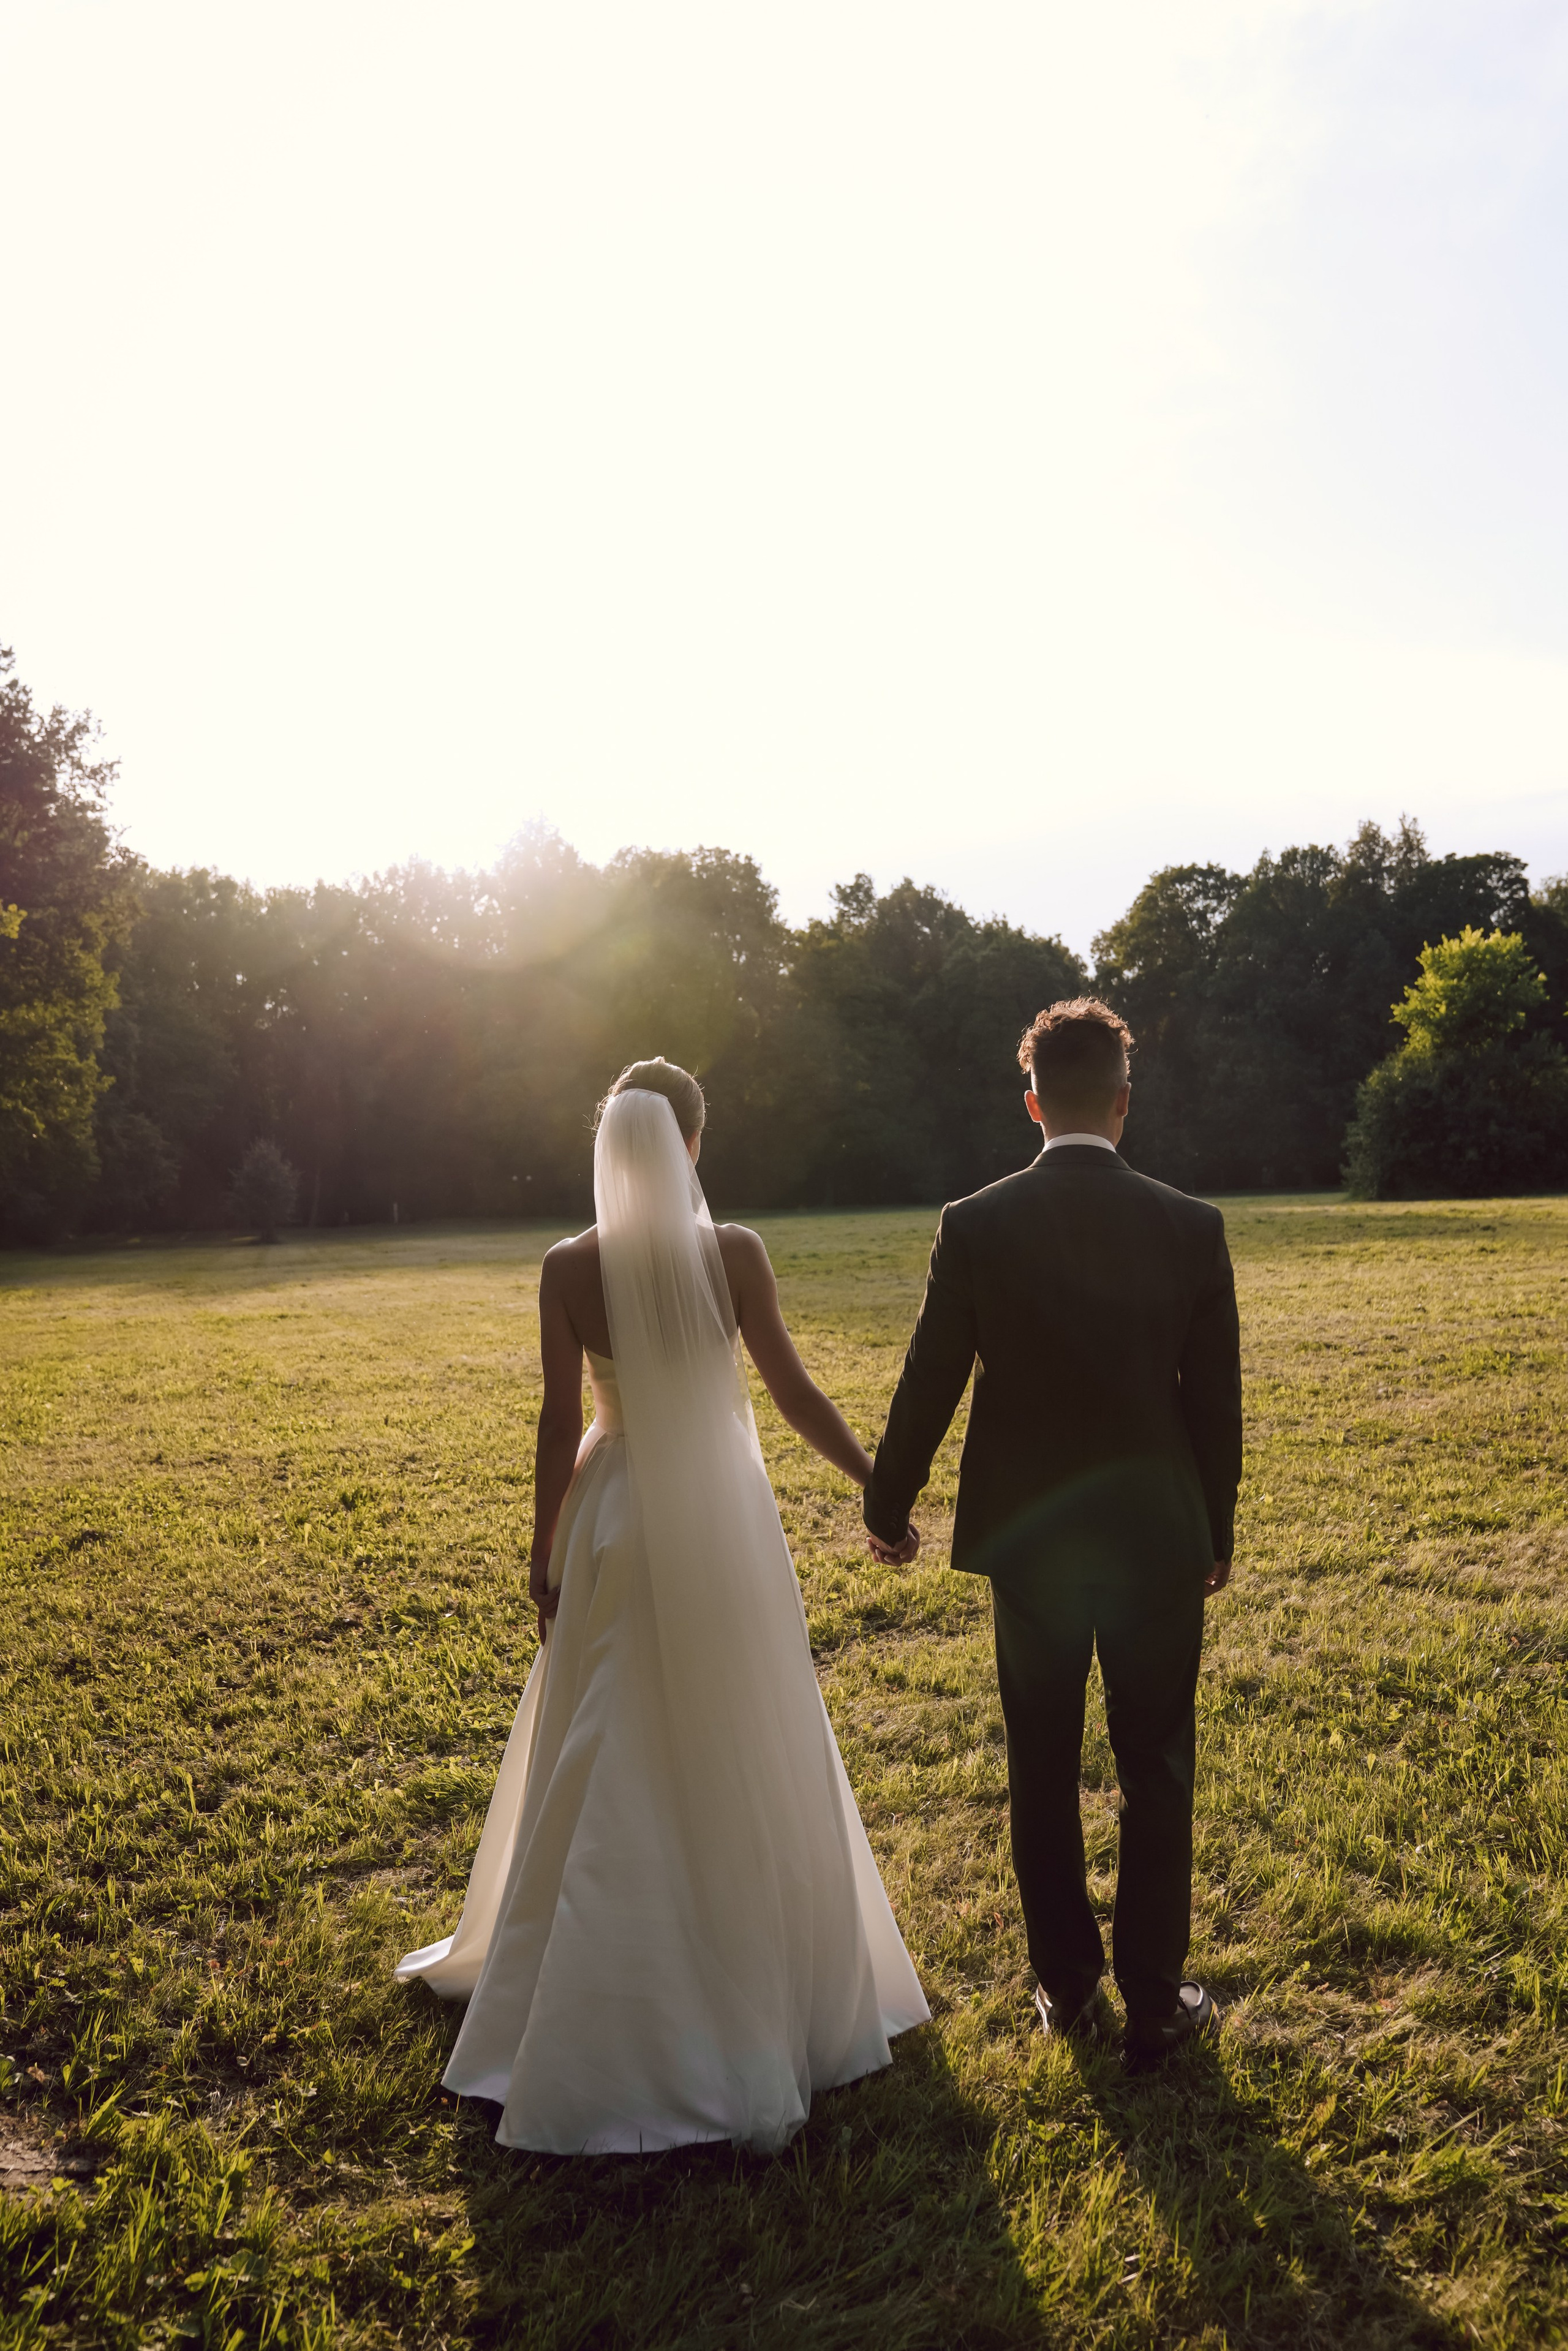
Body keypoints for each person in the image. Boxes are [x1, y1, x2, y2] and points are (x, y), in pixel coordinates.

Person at [397, 1058, 928, 2151]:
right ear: (692, 1141)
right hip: (723, 1510)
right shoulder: (734, 1252)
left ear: (610, 1145)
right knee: (741, 1718)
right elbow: (791, 1390)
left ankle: (592, 1983)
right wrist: (878, 1484)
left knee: (609, 1715)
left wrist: (543, 1548)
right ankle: (768, 1981)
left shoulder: (568, 1266)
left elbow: (559, 1423)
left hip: (614, 1511)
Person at [862, 1000, 1242, 2074]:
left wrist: (888, 1505)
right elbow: (1215, 1401)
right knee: (1156, 1761)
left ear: (1033, 1103)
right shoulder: (1191, 1224)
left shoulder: (975, 1222)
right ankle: (1157, 2001)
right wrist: (1215, 1528)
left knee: (1041, 1758)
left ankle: (1067, 1986)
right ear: (1124, 1102)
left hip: (1031, 1540)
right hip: (1157, 1537)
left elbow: (931, 1376)